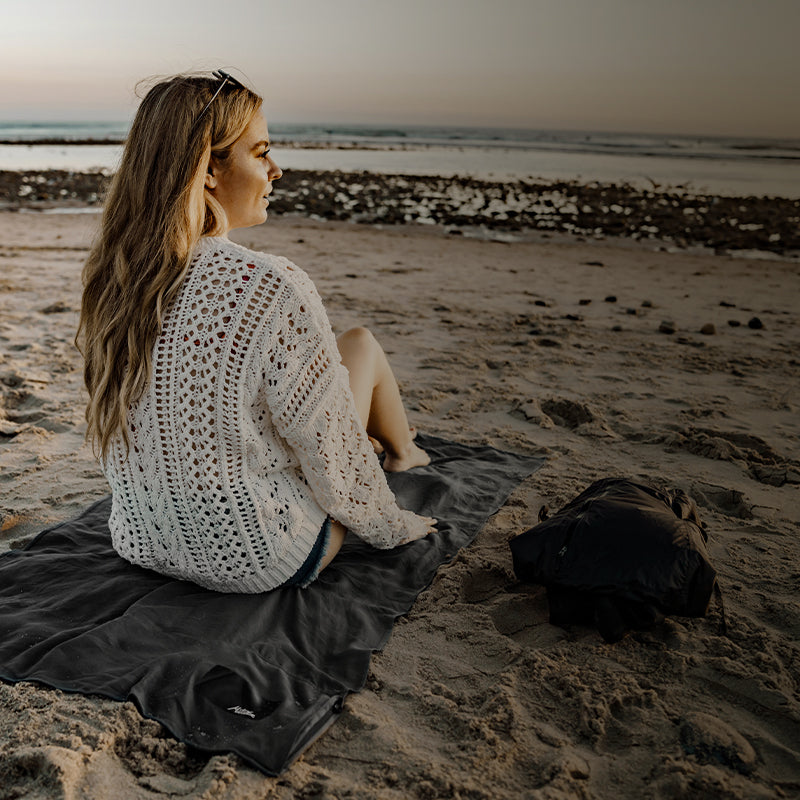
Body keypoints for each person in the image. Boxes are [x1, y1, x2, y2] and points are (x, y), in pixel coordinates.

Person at [77, 70, 436, 593]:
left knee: (333, 364)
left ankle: (401, 448)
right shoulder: (270, 286)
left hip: (142, 541)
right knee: (359, 346)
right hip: (260, 557)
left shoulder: (115, 280)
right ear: (208, 171)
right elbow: (331, 451)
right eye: (260, 152)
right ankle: (404, 453)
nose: (276, 169)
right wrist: (392, 524)